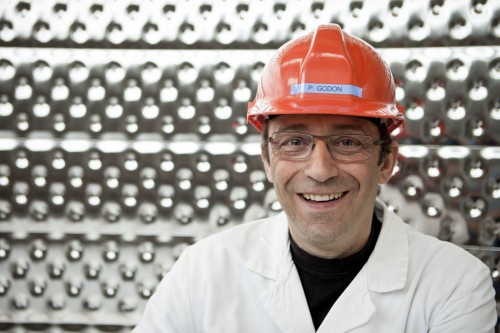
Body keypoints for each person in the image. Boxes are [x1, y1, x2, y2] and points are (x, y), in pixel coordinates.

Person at [132, 24, 496, 332]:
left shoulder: (454, 284)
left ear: (386, 162)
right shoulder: (202, 273)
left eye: (348, 142)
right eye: (294, 142)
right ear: (267, 159)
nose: (320, 170)